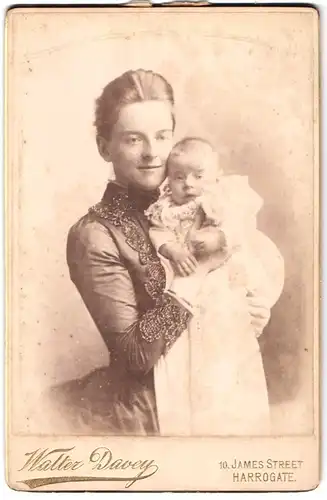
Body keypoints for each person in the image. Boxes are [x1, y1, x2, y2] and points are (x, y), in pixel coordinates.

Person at [48, 69, 284, 436]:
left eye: (162, 136)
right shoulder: (94, 235)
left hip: (216, 389)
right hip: (148, 415)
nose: (152, 153)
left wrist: (253, 307)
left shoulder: (203, 199)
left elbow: (250, 261)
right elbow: (135, 357)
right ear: (104, 146)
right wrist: (198, 274)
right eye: (132, 140)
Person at [145, 137, 283, 435]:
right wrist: (174, 250)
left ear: (215, 175)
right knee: (188, 355)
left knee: (228, 347)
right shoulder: (164, 207)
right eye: (179, 177)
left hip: (220, 281)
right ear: (168, 179)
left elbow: (238, 227)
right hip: (184, 283)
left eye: (198, 175)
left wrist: (219, 237)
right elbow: (158, 234)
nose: (188, 184)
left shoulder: (219, 199)